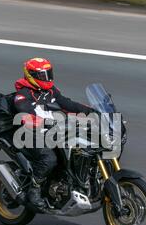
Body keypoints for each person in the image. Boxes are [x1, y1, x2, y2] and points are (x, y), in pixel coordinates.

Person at [13, 57, 95, 210]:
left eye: (48, 73)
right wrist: (44, 122)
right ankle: (34, 190)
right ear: (31, 76)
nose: (47, 78)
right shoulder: (23, 95)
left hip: (52, 132)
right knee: (49, 158)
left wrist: (90, 110)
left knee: (83, 144)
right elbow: (25, 115)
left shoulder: (51, 91)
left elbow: (66, 103)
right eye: (42, 75)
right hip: (30, 135)